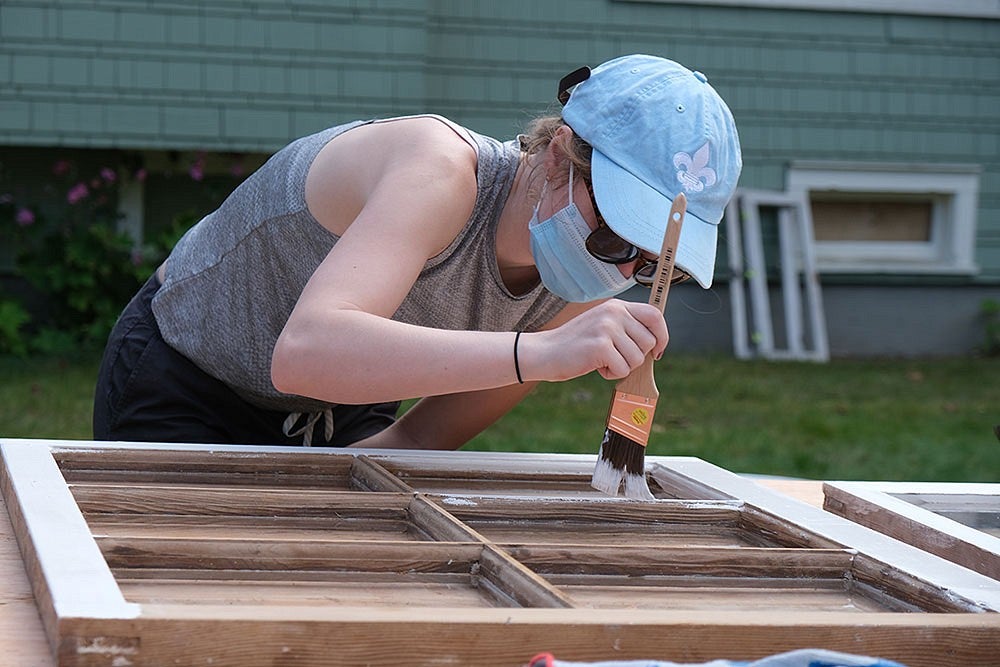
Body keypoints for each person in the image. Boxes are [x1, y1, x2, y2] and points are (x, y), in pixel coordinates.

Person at [93, 54, 742, 449]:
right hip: (190, 369)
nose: (623, 270)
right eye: (615, 231)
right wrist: (539, 355)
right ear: (557, 155)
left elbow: (417, 437)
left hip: (337, 402)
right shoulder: (438, 169)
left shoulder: (583, 282)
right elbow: (306, 352)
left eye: (655, 262)